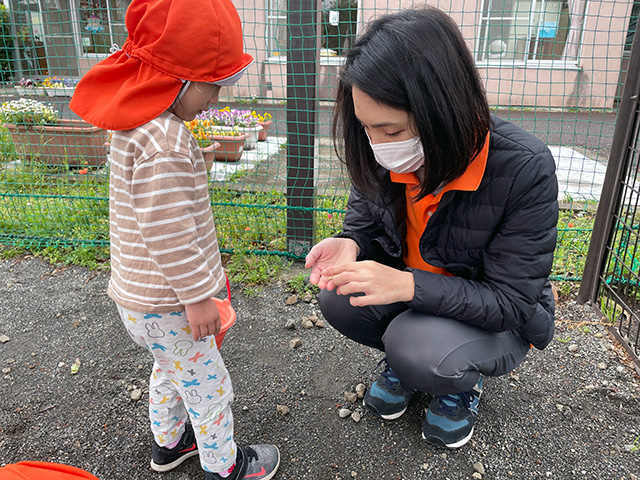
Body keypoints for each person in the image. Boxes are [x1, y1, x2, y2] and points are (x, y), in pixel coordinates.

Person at [305, 7, 558, 449]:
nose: (378, 146)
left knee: (418, 348)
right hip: (423, 296)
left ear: (443, 107)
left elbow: (510, 302)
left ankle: (456, 382)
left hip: (499, 315)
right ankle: (409, 361)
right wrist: (349, 241)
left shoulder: (524, 169)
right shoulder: (386, 157)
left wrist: (405, 285)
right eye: (366, 129)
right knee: (338, 296)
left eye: (391, 130)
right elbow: (365, 215)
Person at [69, 1, 280, 479]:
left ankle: (170, 444)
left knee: (171, 370)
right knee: (210, 387)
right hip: (172, 303)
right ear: (176, 78)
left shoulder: (141, 127)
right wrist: (197, 298)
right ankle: (225, 466)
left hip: (139, 302)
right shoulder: (165, 141)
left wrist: (191, 163)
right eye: (213, 83)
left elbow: (151, 199)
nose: (218, 95)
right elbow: (171, 234)